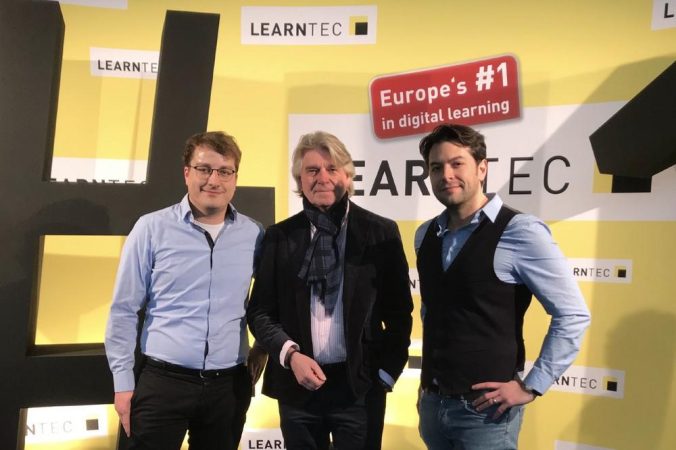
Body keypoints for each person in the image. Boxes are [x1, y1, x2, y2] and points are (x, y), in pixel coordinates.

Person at [415, 123, 591, 450]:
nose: (446, 175)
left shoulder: (520, 231)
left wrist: (531, 385)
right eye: (436, 167)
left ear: (482, 168)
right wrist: (427, 388)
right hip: (432, 406)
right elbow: (434, 311)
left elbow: (573, 314)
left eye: (457, 164)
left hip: (486, 416)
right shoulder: (425, 234)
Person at [247, 131, 413, 450]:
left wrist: (386, 375)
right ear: (300, 179)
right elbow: (260, 312)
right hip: (297, 388)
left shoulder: (381, 232)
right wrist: (290, 355)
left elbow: (399, 313)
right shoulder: (279, 237)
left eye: (332, 168)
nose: (322, 178)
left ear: (347, 176)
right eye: (312, 170)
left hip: (360, 388)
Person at [105, 131, 266, 450]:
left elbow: (267, 303)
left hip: (229, 387)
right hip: (163, 384)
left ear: (235, 178)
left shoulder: (255, 234)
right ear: (187, 173)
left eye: (225, 171)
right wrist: (122, 383)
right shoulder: (151, 228)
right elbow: (124, 310)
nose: (214, 180)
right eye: (204, 169)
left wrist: (262, 347)